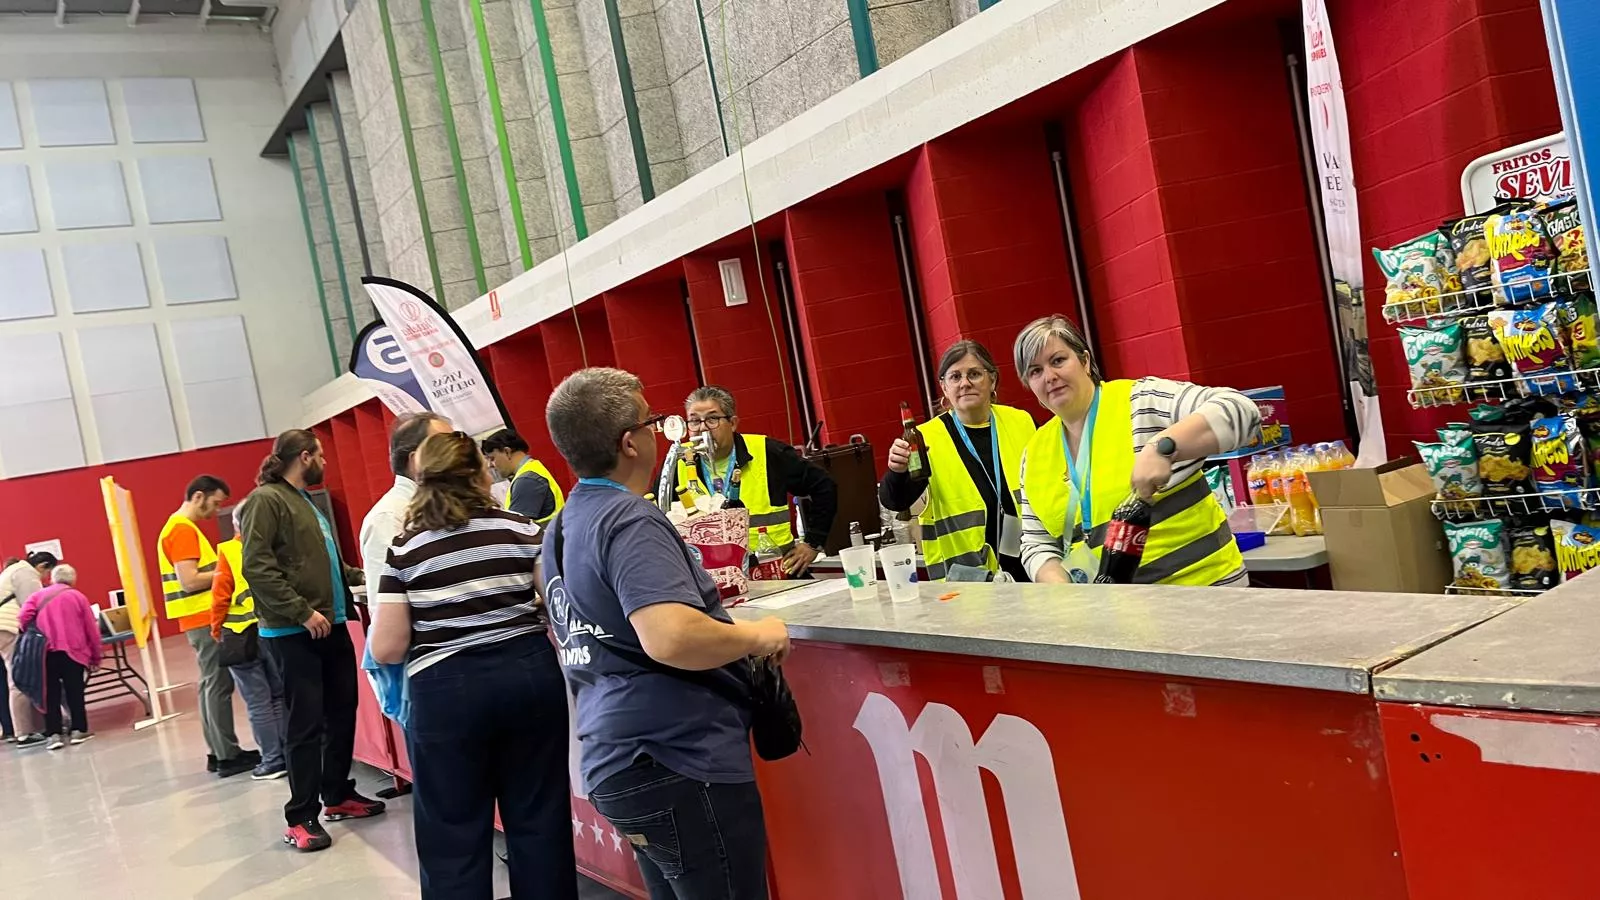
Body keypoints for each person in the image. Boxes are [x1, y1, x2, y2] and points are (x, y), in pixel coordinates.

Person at [545, 367, 791, 900]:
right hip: (678, 757)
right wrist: (757, 637)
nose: (662, 430)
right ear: (629, 442)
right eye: (653, 420)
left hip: (616, 756)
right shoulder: (629, 520)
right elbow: (670, 637)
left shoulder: (563, 526)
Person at [370, 432, 579, 900]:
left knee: (452, 832)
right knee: (539, 819)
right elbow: (560, 608)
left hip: (445, 693)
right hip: (527, 677)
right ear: (479, 475)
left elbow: (387, 646)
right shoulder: (522, 529)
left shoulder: (405, 549)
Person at [1013, 315, 1262, 585]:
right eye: (1035, 371)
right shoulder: (1034, 453)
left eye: (1058, 360)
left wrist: (1164, 447)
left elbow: (1242, 411)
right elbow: (1036, 543)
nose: (1050, 376)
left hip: (1207, 595)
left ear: (1085, 361)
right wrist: (1062, 591)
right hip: (1119, 614)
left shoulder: (1140, 402)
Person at [241, 429, 383, 853]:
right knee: (305, 724)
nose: (325, 462)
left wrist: (374, 578)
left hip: (333, 623)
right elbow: (257, 566)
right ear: (305, 457)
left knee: (342, 712)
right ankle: (300, 816)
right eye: (320, 455)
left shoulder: (304, 502)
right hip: (295, 632)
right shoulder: (266, 501)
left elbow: (330, 566)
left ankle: (337, 795)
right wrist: (301, 611)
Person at [879, 340, 1037, 582]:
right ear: (944, 387)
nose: (965, 383)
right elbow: (896, 499)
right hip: (964, 579)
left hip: (1029, 565)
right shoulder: (925, 437)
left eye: (974, 374)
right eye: (955, 377)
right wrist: (897, 471)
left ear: (992, 380)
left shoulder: (1021, 422)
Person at [669, 385, 837, 576]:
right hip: (715, 580)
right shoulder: (677, 466)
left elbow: (825, 486)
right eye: (694, 421)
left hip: (776, 570)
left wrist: (813, 543)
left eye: (712, 419)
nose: (703, 428)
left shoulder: (767, 452)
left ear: (732, 423)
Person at [158, 475, 258, 778]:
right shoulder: (183, 530)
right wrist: (226, 571)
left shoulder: (177, 528)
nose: (216, 512)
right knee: (219, 684)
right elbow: (189, 581)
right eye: (215, 503)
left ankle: (219, 751)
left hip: (196, 619)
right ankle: (227, 755)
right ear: (198, 496)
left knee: (210, 685)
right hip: (203, 619)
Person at [209, 499, 288, 781]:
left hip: (240, 635)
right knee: (278, 696)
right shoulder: (270, 546)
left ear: (234, 524)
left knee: (257, 701)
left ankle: (272, 760)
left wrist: (216, 630)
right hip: (271, 630)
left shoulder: (229, 551)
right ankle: (288, 754)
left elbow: (220, 596)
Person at [359, 412, 452, 623]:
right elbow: (384, 613)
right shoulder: (388, 517)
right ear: (415, 460)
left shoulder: (450, 506)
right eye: (443, 446)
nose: (457, 453)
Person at [17, 564, 102, 751]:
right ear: (72, 580)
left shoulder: (38, 596)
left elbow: (23, 616)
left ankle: (53, 734)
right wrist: (96, 657)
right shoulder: (78, 597)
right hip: (74, 651)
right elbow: (91, 630)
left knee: (50, 694)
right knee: (74, 692)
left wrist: (33, 631)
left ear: (52, 579)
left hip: (45, 652)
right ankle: (79, 730)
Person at [0, 551, 57, 747]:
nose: (45, 578)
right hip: (8, 628)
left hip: (4, 627)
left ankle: (33, 727)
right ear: (42, 566)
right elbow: (33, 605)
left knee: (19, 676)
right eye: (46, 573)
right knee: (19, 678)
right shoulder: (27, 573)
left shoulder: (14, 570)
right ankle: (23, 733)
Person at [482, 428, 565, 525]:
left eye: (492, 458)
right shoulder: (532, 469)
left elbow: (516, 530)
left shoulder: (526, 481)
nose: (490, 465)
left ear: (507, 452)